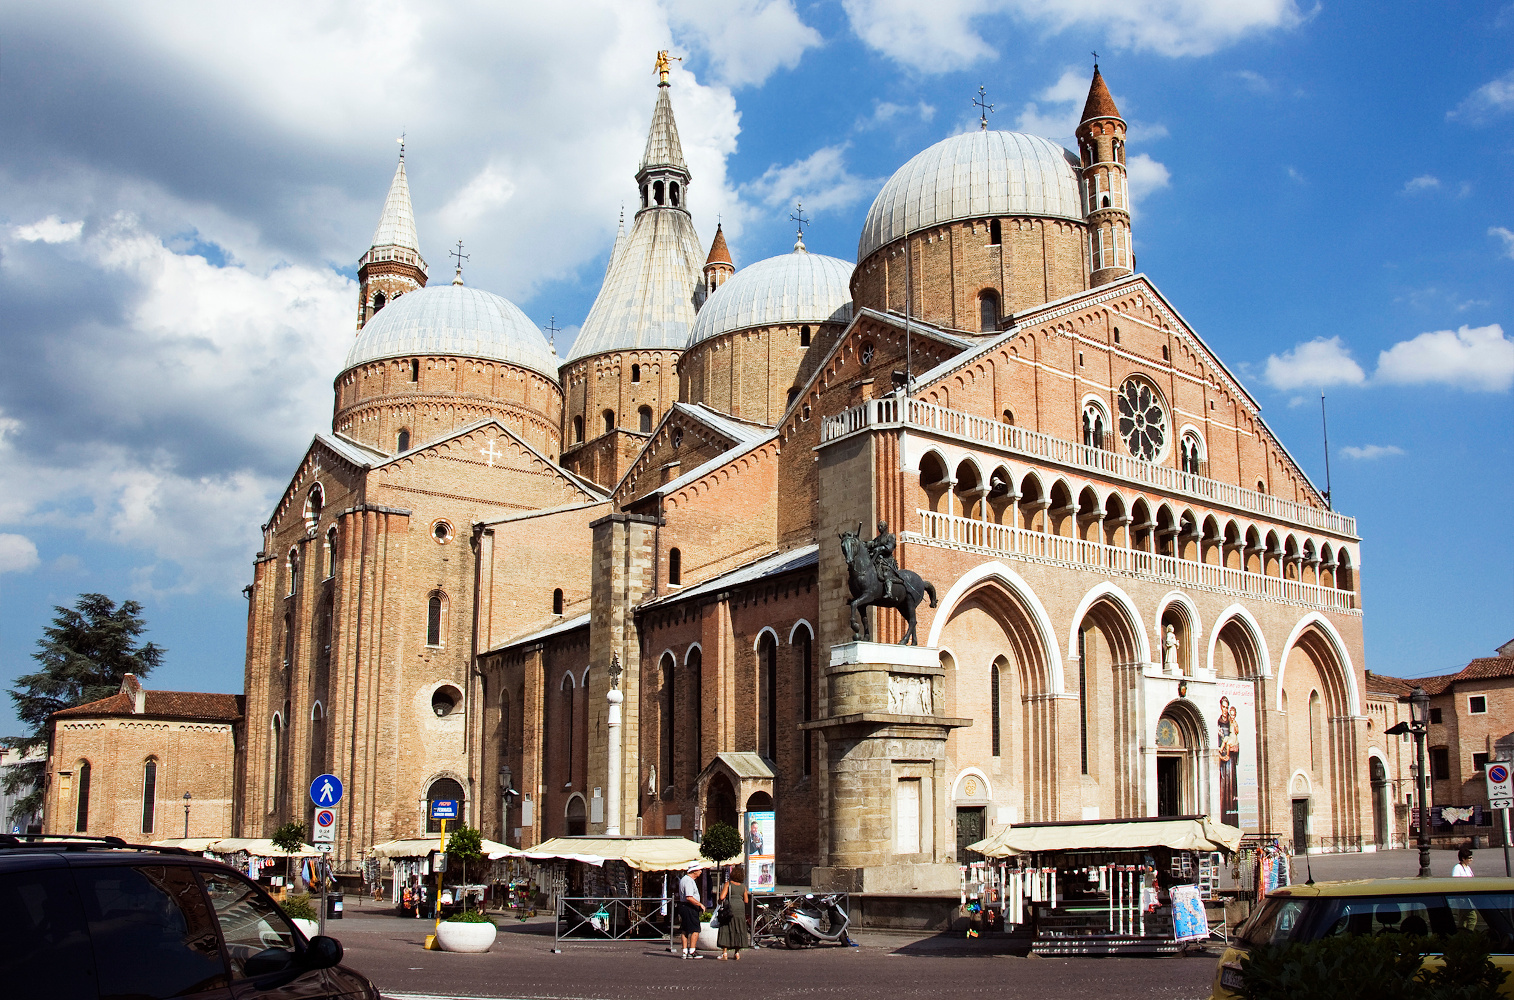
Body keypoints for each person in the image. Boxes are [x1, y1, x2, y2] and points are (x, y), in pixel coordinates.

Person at [716, 867, 752, 960]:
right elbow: (746, 900)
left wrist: (719, 901)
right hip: (740, 909)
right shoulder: (743, 886)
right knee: (738, 928)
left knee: (726, 927)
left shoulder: (728, 884)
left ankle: (724, 953)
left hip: (730, 907)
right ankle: (737, 952)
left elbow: (722, 897)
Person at [677, 864, 703, 959]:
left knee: (685, 929)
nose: (700, 872)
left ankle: (685, 951)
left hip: (684, 906)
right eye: (699, 870)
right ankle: (692, 951)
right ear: (694, 871)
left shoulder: (685, 879)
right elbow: (689, 897)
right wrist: (700, 904)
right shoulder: (688, 881)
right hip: (689, 907)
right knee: (695, 929)